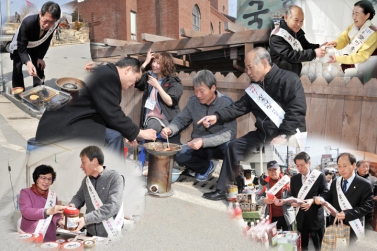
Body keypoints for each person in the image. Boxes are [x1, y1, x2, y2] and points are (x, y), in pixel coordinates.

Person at [198, 47, 307, 200]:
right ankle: (224, 189)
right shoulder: (255, 86)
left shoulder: (288, 79)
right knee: (233, 146)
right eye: (246, 67)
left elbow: (297, 109)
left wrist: (283, 134)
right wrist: (217, 116)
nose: (247, 71)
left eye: (250, 67)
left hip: (286, 136)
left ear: (263, 63)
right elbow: (239, 107)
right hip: (262, 134)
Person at [36, 57, 157, 156]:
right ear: (128, 70)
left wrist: (126, 132)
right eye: (135, 79)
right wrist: (139, 132)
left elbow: (105, 111)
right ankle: (116, 178)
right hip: (64, 125)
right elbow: (112, 113)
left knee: (114, 134)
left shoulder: (107, 73)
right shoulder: (109, 76)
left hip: (74, 120)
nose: (134, 84)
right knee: (114, 137)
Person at [161, 70, 236, 181]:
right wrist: (170, 129)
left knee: (231, 147)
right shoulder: (193, 102)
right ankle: (206, 167)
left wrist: (204, 141)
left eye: (201, 91)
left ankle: (228, 180)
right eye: (195, 91)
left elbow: (230, 133)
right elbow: (181, 120)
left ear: (213, 88)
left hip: (219, 146)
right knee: (179, 153)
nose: (198, 95)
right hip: (197, 145)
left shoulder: (225, 103)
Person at [315, 153, 374, 243]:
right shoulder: (336, 182)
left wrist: (347, 214)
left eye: (345, 166)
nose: (341, 169)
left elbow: (368, 206)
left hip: (353, 228)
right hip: (336, 226)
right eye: (339, 166)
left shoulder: (365, 184)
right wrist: (321, 199)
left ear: (354, 165)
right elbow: (329, 196)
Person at [69, 146, 124, 238]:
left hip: (109, 234)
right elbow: (79, 197)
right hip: (90, 233)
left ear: (94, 161)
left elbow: (113, 206)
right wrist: (72, 205)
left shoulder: (115, 178)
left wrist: (86, 219)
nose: (81, 166)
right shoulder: (86, 180)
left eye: (83, 162)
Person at [135, 50, 183, 144]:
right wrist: (146, 62)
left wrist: (157, 86)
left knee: (175, 149)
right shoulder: (149, 77)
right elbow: (136, 80)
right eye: (153, 61)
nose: (154, 65)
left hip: (169, 119)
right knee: (151, 131)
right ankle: (148, 157)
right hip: (153, 118)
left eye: (158, 63)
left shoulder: (173, 81)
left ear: (166, 65)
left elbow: (170, 101)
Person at [10, 1, 61, 89]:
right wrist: (28, 63)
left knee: (39, 66)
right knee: (17, 67)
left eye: (51, 22)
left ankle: (39, 90)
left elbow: (46, 41)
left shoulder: (54, 24)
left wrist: (40, 58)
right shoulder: (28, 22)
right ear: (40, 14)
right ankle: (19, 92)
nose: (47, 25)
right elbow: (22, 47)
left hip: (35, 45)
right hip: (20, 44)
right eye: (45, 21)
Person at [324, 1, 377, 82]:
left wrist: (339, 59)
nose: (353, 17)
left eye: (357, 14)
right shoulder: (354, 26)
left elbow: (362, 56)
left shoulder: (373, 32)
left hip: (368, 66)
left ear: (367, 15)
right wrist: (336, 43)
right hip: (355, 61)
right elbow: (344, 37)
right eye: (353, 13)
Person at [269, 5, 326, 76]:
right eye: (296, 20)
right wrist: (314, 53)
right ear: (286, 18)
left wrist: (319, 47)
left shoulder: (297, 31)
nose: (299, 24)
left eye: (301, 21)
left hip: (295, 74)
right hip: (283, 77)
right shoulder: (277, 36)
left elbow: (305, 46)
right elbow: (291, 55)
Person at [290, 152, 328, 251]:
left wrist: (313, 200)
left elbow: (326, 194)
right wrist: (293, 203)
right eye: (297, 165)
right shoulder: (294, 179)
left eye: (302, 165)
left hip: (315, 217)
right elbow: (293, 196)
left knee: (319, 245)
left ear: (309, 163)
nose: (299, 168)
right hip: (301, 218)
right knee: (303, 246)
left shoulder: (319, 176)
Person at [19, 165, 67, 242]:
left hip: (49, 237)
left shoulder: (53, 196)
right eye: (43, 178)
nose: (46, 182)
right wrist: (47, 211)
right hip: (32, 236)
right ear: (36, 178)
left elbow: (55, 215)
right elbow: (26, 211)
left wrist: (59, 221)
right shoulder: (26, 192)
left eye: (49, 179)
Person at [256, 160, 294, 231]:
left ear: (279, 170)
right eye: (270, 170)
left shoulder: (287, 181)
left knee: (288, 240)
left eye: (275, 169)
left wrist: (284, 201)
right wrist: (264, 200)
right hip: (271, 217)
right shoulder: (264, 183)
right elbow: (257, 198)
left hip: (286, 217)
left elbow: (294, 198)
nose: (273, 172)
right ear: (267, 172)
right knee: (273, 240)